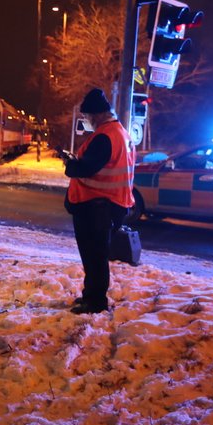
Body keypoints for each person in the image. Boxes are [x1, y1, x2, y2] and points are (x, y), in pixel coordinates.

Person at [59, 88, 135, 314]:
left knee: (94, 256)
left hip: (97, 207)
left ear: (98, 114)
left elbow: (87, 168)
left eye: (88, 117)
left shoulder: (104, 136)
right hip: (110, 205)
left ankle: (95, 302)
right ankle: (91, 296)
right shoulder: (120, 132)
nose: (87, 121)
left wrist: (70, 164)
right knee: (96, 256)